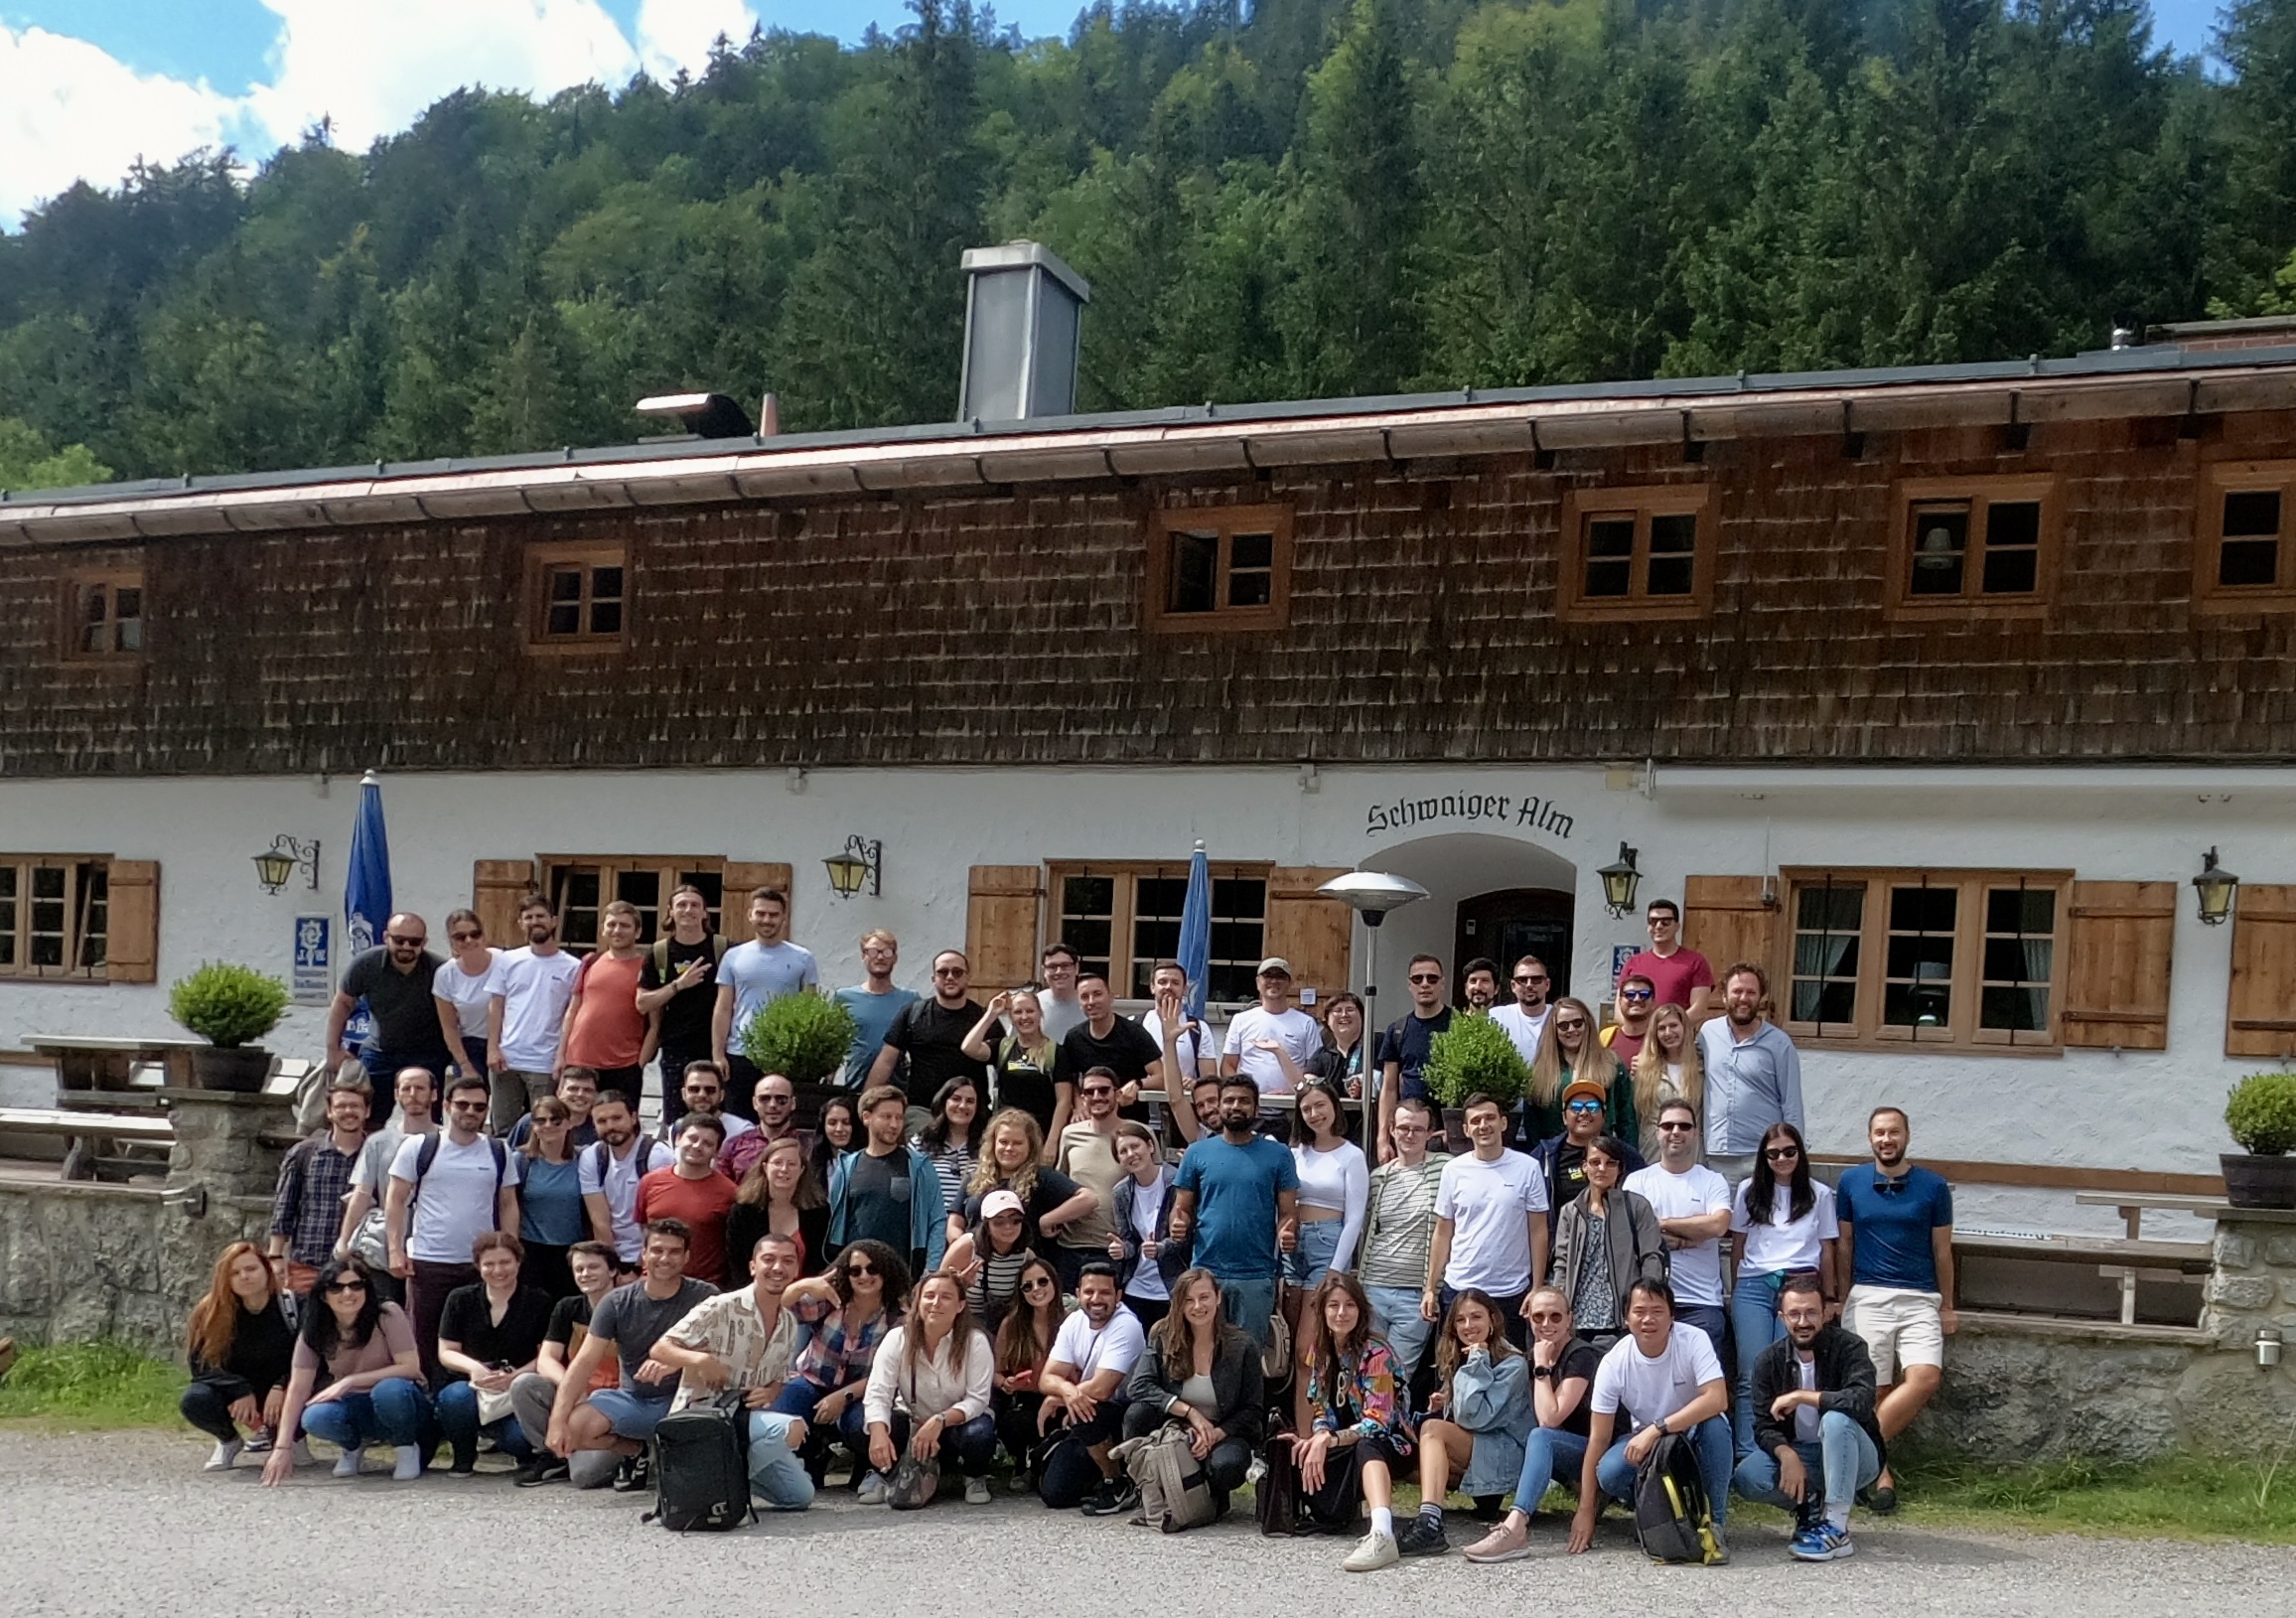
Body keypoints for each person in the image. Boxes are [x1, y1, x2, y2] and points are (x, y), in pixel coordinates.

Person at [1836, 1104, 1956, 1512]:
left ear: (1906, 1136)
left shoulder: (1934, 1187)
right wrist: (1841, 1295)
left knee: (1924, 1377)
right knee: (1874, 1388)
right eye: (1879, 1133)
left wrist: (1948, 1305)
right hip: (1868, 1294)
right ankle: (1880, 1476)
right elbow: (1845, 1245)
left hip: (1921, 1297)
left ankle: (1858, 1455)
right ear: (1869, 1138)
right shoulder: (1851, 1183)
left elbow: (1943, 1250)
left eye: (1894, 1132)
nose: (1886, 1140)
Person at [543, 1218, 718, 1490]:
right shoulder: (616, 1301)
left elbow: (721, 1351)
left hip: (687, 1401)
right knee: (575, 1429)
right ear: (643, 1254)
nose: (664, 1258)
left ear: (686, 1257)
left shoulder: (705, 1296)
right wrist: (557, 1421)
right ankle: (636, 1451)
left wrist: (676, 1361)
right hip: (634, 1399)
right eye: (657, 1250)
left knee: (689, 1482)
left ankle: (669, 1453)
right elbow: (584, 1362)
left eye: (674, 1252)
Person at [648, 1232, 815, 1512]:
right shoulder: (721, 1306)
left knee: (800, 1496)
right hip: (704, 1418)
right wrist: (700, 1360)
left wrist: (773, 1389)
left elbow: (780, 1379)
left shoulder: (788, 1322)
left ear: (796, 1269)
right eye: (769, 1260)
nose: (778, 1268)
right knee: (792, 1427)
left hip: (743, 1421)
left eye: (787, 1261)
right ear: (753, 1267)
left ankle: (714, 1484)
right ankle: (713, 1483)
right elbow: (661, 1348)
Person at [1567, 1278, 1733, 1559]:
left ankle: (1714, 1521)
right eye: (1639, 1311)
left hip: (1691, 1433)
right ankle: (1653, 1513)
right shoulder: (1614, 1362)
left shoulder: (1693, 1340)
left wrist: (1658, 1428)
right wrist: (1585, 1511)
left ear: (1672, 1316)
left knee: (1717, 1425)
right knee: (1609, 1471)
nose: (1648, 1319)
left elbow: (1717, 1399)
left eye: (1657, 1311)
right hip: (1646, 1441)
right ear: (1626, 1318)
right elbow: (1598, 1438)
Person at [1732, 1273, 1887, 1560]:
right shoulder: (1769, 1361)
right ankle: (1810, 1506)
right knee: (1747, 1477)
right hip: (1804, 1452)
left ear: (1826, 1313)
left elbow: (1862, 1400)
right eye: (1794, 1314)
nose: (1803, 1322)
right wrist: (1786, 1454)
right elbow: (1763, 1425)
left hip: (1857, 1455)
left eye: (1811, 1312)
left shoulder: (1850, 1347)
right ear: (1781, 1317)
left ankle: (1836, 1528)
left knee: (1835, 1419)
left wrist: (1803, 1396)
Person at [384, 1073, 515, 1380]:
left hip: (480, 1266)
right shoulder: (420, 1147)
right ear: (446, 1105)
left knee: (476, 1339)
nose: (471, 1112)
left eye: (479, 1107)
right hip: (429, 1262)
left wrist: (509, 1253)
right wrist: (394, 1249)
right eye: (463, 1104)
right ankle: (424, 1397)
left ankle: (470, 1400)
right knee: (424, 1337)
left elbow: (508, 1203)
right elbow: (396, 1199)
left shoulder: (498, 1150)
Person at [1461, 1287, 1606, 1561]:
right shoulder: (1532, 1355)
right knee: (1532, 1433)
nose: (1547, 1324)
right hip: (1573, 1452)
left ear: (1569, 1319)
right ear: (1528, 1318)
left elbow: (1551, 1418)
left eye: (1555, 1316)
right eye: (1538, 1317)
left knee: (1541, 1435)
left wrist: (1541, 1367)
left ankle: (1515, 1527)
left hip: (1603, 1453)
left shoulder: (1581, 1355)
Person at [261, 1254, 433, 1485]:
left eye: (356, 1285)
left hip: (401, 1401)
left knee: (389, 1390)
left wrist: (350, 1380)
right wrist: (282, 1446)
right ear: (323, 1295)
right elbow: (298, 1388)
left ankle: (406, 1447)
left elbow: (410, 1367)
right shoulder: (315, 1328)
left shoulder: (387, 1313)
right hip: (354, 1403)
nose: (347, 1294)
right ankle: (352, 1446)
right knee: (314, 1416)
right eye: (336, 1288)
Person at [1730, 1120, 1841, 1454]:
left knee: (1787, 1369)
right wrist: (1737, 1287)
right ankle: (1747, 1450)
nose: (1781, 1159)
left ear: (1800, 1153)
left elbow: (1828, 1250)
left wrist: (1831, 1296)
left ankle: (1782, 1446)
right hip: (1754, 1286)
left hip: (1800, 1284)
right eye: (1773, 1153)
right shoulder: (1748, 1191)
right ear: (1763, 1157)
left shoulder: (1819, 1194)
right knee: (1751, 1370)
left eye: (1789, 1151)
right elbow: (1738, 1243)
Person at [1120, 1266, 1264, 1516]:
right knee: (1137, 1413)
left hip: (1224, 1430)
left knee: (1227, 1466)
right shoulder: (1163, 1335)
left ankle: (1213, 1493)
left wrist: (1216, 1433)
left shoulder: (1242, 1345)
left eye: (1204, 1297)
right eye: (1188, 1300)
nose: (1197, 1306)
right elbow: (1139, 1386)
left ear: (1218, 1298)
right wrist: (1189, 1414)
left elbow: (1253, 1408)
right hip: (1175, 1429)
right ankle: (1147, 1486)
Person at [1398, 1288, 1531, 1556]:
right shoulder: (1462, 1355)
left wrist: (1477, 1362)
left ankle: (1430, 1523)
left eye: (1476, 1317)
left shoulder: (1513, 1363)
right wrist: (1447, 1401)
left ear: (1492, 1320)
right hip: (1485, 1450)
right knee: (1406, 1451)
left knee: (1432, 1430)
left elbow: (1476, 1417)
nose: (1468, 1326)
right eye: (1460, 1320)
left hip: (1509, 1455)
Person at [1168, 1077, 1299, 1347]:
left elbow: (1288, 1212)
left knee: (1248, 1357)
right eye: (1229, 1100)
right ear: (1219, 1105)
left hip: (1256, 1274)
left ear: (1256, 1108)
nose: (1235, 1106)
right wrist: (1178, 1223)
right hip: (1206, 1271)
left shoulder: (1279, 1154)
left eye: (1244, 1101)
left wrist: (1288, 1231)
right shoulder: (1197, 1153)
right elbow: (1181, 1208)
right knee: (1200, 1351)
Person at [1296, 1271, 1413, 1571]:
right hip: (1349, 1441)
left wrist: (1331, 1439)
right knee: (1302, 1447)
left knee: (1367, 1445)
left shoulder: (1377, 1353)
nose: (1341, 1313)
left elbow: (1379, 1421)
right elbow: (1322, 1410)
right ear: (1322, 1311)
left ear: (1361, 1311)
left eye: (1349, 1305)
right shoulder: (1320, 1353)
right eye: (1333, 1305)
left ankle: (1382, 1534)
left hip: (1394, 1445)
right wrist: (1319, 1436)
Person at [773, 1240, 910, 1483]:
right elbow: (774, 1313)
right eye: (855, 1270)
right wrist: (802, 1285)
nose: (863, 1276)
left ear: (886, 1272)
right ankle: (812, 1454)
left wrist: (843, 1396)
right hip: (811, 1380)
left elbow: (892, 1373)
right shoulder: (829, 1301)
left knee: (864, 1424)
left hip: (862, 1392)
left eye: (872, 1269)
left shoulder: (897, 1318)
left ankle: (868, 1465)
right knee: (780, 1415)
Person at [861, 1271, 1000, 1505]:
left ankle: (974, 1476)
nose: (935, 1303)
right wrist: (877, 1433)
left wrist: (939, 1420)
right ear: (917, 1303)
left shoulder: (974, 1341)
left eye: (946, 1297)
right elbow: (878, 1392)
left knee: (980, 1434)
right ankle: (886, 1473)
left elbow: (977, 1399)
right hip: (914, 1425)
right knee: (873, 1424)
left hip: (957, 1425)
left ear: (960, 1305)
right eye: (929, 1296)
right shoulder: (897, 1338)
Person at [1426, 1095, 1548, 1348]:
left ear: (1504, 1123)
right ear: (1466, 1130)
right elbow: (1443, 1231)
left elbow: (1538, 1231)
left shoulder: (1528, 1168)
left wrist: (1536, 1288)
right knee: (1453, 1373)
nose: (1483, 1125)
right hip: (1460, 1288)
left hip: (1510, 1292)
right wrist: (1430, 1288)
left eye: (1490, 1118)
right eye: (1476, 1120)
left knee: (1508, 1374)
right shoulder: (1453, 1170)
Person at [434, 1232, 552, 1474]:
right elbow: (446, 1351)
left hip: (516, 1388)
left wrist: (516, 1376)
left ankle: (518, 1454)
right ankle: (464, 1456)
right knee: (453, 1399)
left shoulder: (539, 1301)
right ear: (478, 1266)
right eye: (489, 1264)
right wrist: (474, 1368)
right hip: (471, 1386)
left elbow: (547, 1355)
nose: (498, 1270)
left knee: (520, 1439)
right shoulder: (460, 1299)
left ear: (518, 1262)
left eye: (505, 1262)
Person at [1624, 1100, 1733, 1357]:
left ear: (1696, 1133)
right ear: (1657, 1132)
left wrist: (1661, 1224)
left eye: (1684, 1126)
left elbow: (1718, 1224)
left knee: (1701, 1386)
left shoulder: (1712, 1181)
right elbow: (1631, 1236)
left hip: (1702, 1303)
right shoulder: (1637, 1181)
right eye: (1668, 1125)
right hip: (1650, 1302)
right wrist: (1691, 1235)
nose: (1676, 1131)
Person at [1036, 1262, 1146, 1514]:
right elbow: (1046, 1378)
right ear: (1078, 1294)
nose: (1096, 1299)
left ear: (1118, 1296)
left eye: (1105, 1292)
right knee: (1055, 1494)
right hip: (1084, 1410)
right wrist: (1068, 1392)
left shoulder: (1127, 1325)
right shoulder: (1074, 1321)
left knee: (1087, 1411)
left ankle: (1117, 1483)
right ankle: (1094, 1472)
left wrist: (1060, 1398)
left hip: (1126, 1414)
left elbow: (1102, 1389)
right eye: (1089, 1292)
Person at [507, 1240, 620, 1485]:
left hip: (614, 1404)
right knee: (525, 1384)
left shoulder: (628, 1307)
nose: (585, 1274)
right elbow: (546, 1360)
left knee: (584, 1477)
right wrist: (572, 1387)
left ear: (612, 1270)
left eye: (593, 1267)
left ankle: (629, 1452)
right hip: (576, 1397)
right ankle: (553, 1456)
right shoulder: (567, 1307)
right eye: (579, 1269)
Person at [181, 1241, 298, 1470]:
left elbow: (312, 1358)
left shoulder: (293, 1305)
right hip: (237, 1390)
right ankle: (228, 1440)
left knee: (314, 1388)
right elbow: (200, 1366)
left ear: (266, 1269)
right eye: (235, 1273)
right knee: (196, 1399)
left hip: (280, 1388)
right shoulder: (210, 1311)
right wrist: (239, 1389)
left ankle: (292, 1438)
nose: (244, 1277)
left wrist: (281, 1386)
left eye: (251, 1269)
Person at [324, 913, 452, 1116]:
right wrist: (333, 1048)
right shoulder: (366, 964)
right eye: (399, 940)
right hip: (379, 1051)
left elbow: (454, 1016)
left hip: (427, 1054)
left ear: (424, 942)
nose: (407, 946)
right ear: (386, 938)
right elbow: (343, 1003)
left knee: (426, 1116)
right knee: (369, 1115)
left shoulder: (440, 970)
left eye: (414, 941)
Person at [1361, 1094, 1448, 1391]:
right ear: (1392, 1130)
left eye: (1418, 1129)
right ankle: (1372, 1433)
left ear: (1429, 1133)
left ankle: (1383, 1433)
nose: (1410, 1135)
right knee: (1369, 1371)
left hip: (1416, 1295)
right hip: (1374, 1287)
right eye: (1404, 1128)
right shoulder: (1377, 1177)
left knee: (1394, 1379)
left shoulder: (1446, 1169)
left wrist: (1432, 1287)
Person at [1547, 1133, 1666, 1352]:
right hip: (1579, 1317)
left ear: (1620, 1168)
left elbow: (1652, 1255)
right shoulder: (1571, 1212)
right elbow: (1562, 1264)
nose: (1602, 1168)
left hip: (1621, 1318)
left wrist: (1646, 1302)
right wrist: (1559, 1309)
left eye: (1610, 1163)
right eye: (1595, 1162)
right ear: (1584, 1167)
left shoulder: (1636, 1206)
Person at [335, 1066, 437, 1305]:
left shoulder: (447, 1141)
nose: (413, 1094)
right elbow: (362, 1192)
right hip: (383, 1247)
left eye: (420, 1088)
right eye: (406, 1088)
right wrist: (344, 1238)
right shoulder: (378, 1141)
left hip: (432, 1244)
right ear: (396, 1094)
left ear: (433, 1094)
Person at [712, 886, 820, 1107]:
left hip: (785, 1056)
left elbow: (811, 1011)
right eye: (761, 913)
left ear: (784, 917)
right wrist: (718, 1054)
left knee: (782, 1121)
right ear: (750, 915)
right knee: (740, 1121)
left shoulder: (803, 958)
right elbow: (723, 1008)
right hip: (740, 1053)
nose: (767, 920)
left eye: (773, 914)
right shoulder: (733, 957)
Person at [1697, 962, 1803, 1186]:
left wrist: (1794, 1155)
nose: (1743, 998)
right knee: (1722, 1220)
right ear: (1724, 997)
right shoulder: (1707, 1033)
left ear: (1760, 998)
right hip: (1717, 1155)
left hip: (1764, 1155)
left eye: (1751, 992)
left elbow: (1791, 1104)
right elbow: (1682, 1065)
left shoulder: (1779, 1043)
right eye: (1737, 991)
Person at [829, 1085, 948, 1279]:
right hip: (858, 1274)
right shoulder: (847, 1167)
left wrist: (931, 1270)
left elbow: (936, 1220)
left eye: (899, 1118)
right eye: (886, 1117)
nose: (894, 1124)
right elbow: (835, 1221)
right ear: (867, 1117)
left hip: (903, 1275)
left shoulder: (918, 1166)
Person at [487, 894, 582, 1133]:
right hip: (506, 1060)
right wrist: (492, 1048)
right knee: (503, 1129)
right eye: (528, 917)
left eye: (540, 916)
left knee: (544, 1128)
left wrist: (562, 1057)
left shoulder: (572, 967)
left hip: (545, 1062)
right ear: (520, 923)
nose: (534, 921)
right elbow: (496, 1005)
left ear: (554, 921)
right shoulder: (507, 960)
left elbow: (571, 1016)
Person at [950, 1108, 1095, 1262]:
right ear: (993, 1143)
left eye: (1017, 1143)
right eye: (1003, 1142)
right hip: (977, 1266)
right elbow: (954, 1221)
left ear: (1030, 1146)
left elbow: (1088, 1199)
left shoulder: (1042, 1177)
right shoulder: (975, 1177)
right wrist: (962, 1248)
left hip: (1025, 1269)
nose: (1009, 1148)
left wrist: (1047, 1220)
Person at [268, 1074, 369, 1294]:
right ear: (330, 1111)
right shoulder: (304, 1153)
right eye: (341, 1106)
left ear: (366, 1111)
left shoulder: (376, 1154)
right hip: (308, 1264)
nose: (348, 1111)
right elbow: (284, 1208)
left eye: (355, 1106)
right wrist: (275, 1256)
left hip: (359, 1269)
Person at [636, 886, 730, 1114]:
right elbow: (642, 1003)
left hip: (720, 1048)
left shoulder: (724, 949)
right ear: (671, 911)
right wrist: (678, 985)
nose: (688, 910)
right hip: (676, 1048)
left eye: (695, 905)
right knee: (677, 1119)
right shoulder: (659, 952)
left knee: (718, 1116)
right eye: (681, 905)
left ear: (705, 913)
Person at [869, 950, 990, 1103]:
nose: (950, 977)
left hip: (971, 1113)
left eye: (957, 972)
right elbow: (886, 1060)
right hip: (922, 1111)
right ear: (934, 979)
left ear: (968, 978)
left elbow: (1003, 1060)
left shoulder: (984, 1018)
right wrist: (867, 1104)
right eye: (943, 972)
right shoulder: (913, 1013)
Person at [1052, 974, 1164, 1133]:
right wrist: (1077, 1104)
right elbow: (1069, 1080)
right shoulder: (1074, 1037)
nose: (1091, 1002)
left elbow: (1162, 1077)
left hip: (1130, 1124)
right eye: (1084, 997)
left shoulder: (1134, 1032)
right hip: (1091, 1124)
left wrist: (1138, 1084)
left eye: (1097, 994)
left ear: (1111, 997)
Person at [636, 1113, 738, 1286]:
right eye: (692, 1138)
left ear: (717, 1151)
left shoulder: (730, 1192)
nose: (697, 1146)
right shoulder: (650, 1182)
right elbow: (643, 1228)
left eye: (708, 1143)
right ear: (677, 1139)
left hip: (703, 1288)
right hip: (653, 1283)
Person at [1052, 1064, 1129, 1289]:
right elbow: (1060, 1184)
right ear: (1082, 1097)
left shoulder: (1137, 1134)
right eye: (1089, 1092)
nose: (1097, 1097)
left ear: (1118, 1093)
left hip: (1114, 1248)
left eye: (1104, 1090)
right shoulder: (1069, 1133)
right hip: (1070, 1247)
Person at [1530, 1077, 1647, 1225]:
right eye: (1576, 1107)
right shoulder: (1545, 1155)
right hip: (1564, 1242)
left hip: (1615, 1240)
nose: (1584, 1112)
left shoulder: (1625, 1155)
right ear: (1564, 1117)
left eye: (1592, 1107)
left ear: (1604, 1116)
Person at [992, 1254, 1066, 1486]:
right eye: (1027, 1285)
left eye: (1042, 1282)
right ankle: (1022, 1463)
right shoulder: (1011, 1324)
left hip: (1060, 1397)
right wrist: (1006, 1383)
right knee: (1015, 1422)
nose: (1036, 1289)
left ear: (1054, 1282)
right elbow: (995, 1372)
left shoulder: (1071, 1320)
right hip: (1025, 1398)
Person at [1525, 997, 1636, 1149]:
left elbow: (1627, 1119)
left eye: (1577, 1023)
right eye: (1563, 1026)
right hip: (1558, 1157)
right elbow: (1533, 1126)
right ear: (1554, 1030)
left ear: (1588, 1023)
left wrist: (1629, 1161)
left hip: (1602, 1155)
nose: (1571, 1029)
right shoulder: (1540, 1071)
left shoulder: (1611, 1064)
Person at [1289, 1079, 1367, 1290]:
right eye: (1306, 1109)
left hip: (1327, 1241)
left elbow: (1354, 1218)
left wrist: (1336, 1267)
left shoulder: (1352, 1155)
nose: (1314, 1114)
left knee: (1312, 1320)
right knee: (1289, 1320)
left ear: (1334, 1105)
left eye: (1320, 1105)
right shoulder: (1296, 1153)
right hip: (1293, 1242)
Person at [1375, 955, 1454, 1163]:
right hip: (1409, 1132)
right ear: (1409, 985)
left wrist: (1457, 1128)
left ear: (1442, 984)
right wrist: (1383, 1138)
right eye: (1418, 979)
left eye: (1432, 978)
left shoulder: (1460, 1025)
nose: (1425, 984)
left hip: (1449, 1136)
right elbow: (1389, 1088)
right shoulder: (1397, 1030)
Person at [1108, 1120, 1186, 1329]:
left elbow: (1188, 1237)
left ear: (1151, 1146)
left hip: (1172, 1284)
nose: (1131, 1154)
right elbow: (1130, 1242)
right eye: (1123, 1151)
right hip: (1137, 1285)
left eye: (1135, 1146)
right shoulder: (1121, 1192)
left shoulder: (1177, 1181)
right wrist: (1122, 1250)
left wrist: (1161, 1248)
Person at [578, 1090, 667, 1269]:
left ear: (633, 1118)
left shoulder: (658, 1155)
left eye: (617, 1118)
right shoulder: (592, 1157)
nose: (610, 1126)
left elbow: (659, 1220)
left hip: (651, 1256)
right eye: (602, 1121)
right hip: (610, 1255)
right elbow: (599, 1221)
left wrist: (640, 1267)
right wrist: (614, 1268)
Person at [507, 1096, 586, 1300]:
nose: (548, 1125)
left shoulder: (584, 1161)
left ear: (569, 1123)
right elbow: (508, 1205)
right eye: (541, 1121)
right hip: (531, 1251)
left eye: (556, 1120)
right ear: (533, 1126)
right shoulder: (520, 1161)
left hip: (573, 1252)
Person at [725, 1132, 832, 1276]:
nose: (784, 1169)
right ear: (765, 1167)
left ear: (801, 1170)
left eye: (792, 1164)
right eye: (777, 1163)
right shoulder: (743, 1211)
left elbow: (819, 1263)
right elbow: (736, 1262)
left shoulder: (818, 1212)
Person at [1220, 957, 1323, 1104]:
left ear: (1290, 984)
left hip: (1293, 1104)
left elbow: (1315, 1069)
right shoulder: (1240, 1020)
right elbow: (1228, 1066)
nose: (1274, 981)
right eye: (1268, 976)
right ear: (1258, 982)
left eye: (1280, 976)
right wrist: (1245, 1093)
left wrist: (1294, 1090)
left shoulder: (1306, 1023)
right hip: (1251, 1107)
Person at [833, 928, 920, 1090]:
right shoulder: (844, 998)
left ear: (895, 958)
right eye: (873, 951)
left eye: (886, 952)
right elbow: (833, 1046)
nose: (880, 957)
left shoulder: (911, 1000)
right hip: (855, 1086)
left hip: (897, 1090)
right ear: (863, 957)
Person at [965, 986, 1060, 1135]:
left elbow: (1064, 1101)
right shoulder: (1003, 1047)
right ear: (1011, 1017)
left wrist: (1053, 1141)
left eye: (1030, 1011)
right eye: (1017, 1012)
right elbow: (969, 1047)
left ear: (1040, 1013)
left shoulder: (1055, 1051)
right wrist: (991, 1014)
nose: (1024, 1017)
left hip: (1041, 1134)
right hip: (1005, 1133)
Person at [948, 1189, 1043, 1333]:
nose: (1008, 1227)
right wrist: (959, 1286)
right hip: (963, 1326)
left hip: (1006, 1329)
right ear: (986, 1224)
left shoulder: (1026, 1256)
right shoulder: (966, 1247)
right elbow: (937, 1288)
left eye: (1015, 1220)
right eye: (999, 1222)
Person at [1617, 899, 1715, 1026]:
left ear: (1677, 926)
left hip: (1674, 1040)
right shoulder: (1633, 963)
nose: (1659, 926)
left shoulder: (1695, 961)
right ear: (1648, 927)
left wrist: (1665, 1031)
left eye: (1666, 922)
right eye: (1653, 922)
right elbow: (1618, 1009)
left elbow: (1698, 1010)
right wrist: (1639, 1032)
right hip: (1638, 1040)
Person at [431, 909, 501, 1083]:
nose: (469, 940)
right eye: (460, 937)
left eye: (474, 934)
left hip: (506, 1043)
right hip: (470, 1047)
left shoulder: (504, 961)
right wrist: (464, 1065)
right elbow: (449, 1028)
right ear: (451, 942)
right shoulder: (445, 975)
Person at [1629, 1003, 1704, 1161]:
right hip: (1653, 1152)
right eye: (1662, 1028)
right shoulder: (1643, 1069)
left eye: (1673, 1026)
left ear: (1684, 1027)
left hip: (1692, 1152)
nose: (1668, 1033)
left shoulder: (1701, 1067)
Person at [917, 1075, 984, 1220]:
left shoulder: (987, 1145)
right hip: (930, 1223)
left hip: (972, 1226)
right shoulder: (921, 1142)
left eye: (970, 1101)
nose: (962, 1106)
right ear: (944, 1102)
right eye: (956, 1099)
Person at [718, 1069, 805, 1180]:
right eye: (764, 1099)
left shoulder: (807, 1146)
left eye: (781, 1099)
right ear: (755, 1103)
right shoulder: (733, 1146)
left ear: (792, 1103)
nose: (773, 1105)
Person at [656, 1060, 752, 1148]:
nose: (702, 1095)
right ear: (684, 1094)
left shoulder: (741, 1131)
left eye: (710, 1090)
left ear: (722, 1095)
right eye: (694, 1089)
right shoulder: (676, 1129)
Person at [505, 1066, 598, 1152]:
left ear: (595, 1095)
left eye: (587, 1090)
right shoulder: (531, 1121)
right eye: (573, 1089)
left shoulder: (599, 1128)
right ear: (559, 1092)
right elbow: (508, 1158)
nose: (580, 1094)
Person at [1489, 956, 1554, 1072]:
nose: (1529, 985)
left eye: (1536, 980)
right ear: (1513, 986)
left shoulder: (1558, 1016)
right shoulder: (1497, 1017)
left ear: (1547, 985)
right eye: (1522, 980)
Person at [1306, 990, 1369, 1099]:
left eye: (1350, 1010)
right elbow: (1310, 1087)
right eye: (1337, 1011)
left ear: (1362, 1017)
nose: (1344, 1015)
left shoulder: (1377, 1045)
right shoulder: (1321, 1055)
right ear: (1327, 1020)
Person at [1036, 942, 1086, 1046]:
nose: (1059, 972)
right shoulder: (1034, 1003)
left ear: (1076, 968)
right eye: (1052, 967)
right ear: (1044, 971)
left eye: (1065, 966)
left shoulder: (1089, 1003)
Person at [1603, 971, 1657, 1064]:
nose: (1637, 999)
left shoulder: (1662, 1038)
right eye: (1630, 995)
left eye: (1644, 994)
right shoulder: (1606, 1037)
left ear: (1653, 1002)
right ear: (1619, 1002)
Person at [810, 1093, 860, 1186]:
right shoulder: (812, 1165)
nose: (839, 1129)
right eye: (832, 1123)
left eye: (846, 1122)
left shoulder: (864, 1163)